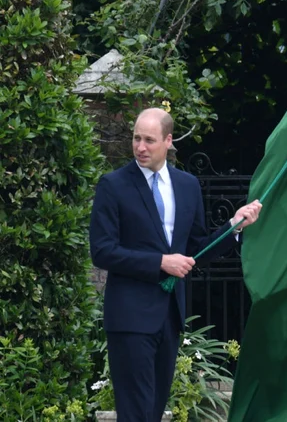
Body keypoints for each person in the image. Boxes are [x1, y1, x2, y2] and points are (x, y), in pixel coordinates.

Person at [89, 107, 262, 421]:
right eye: (136, 139)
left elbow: (196, 249)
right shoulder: (113, 185)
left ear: (168, 141)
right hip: (129, 318)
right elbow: (102, 251)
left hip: (169, 317)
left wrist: (234, 226)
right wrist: (160, 262)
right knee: (136, 413)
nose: (140, 147)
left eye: (149, 140)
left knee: (153, 412)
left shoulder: (187, 185)